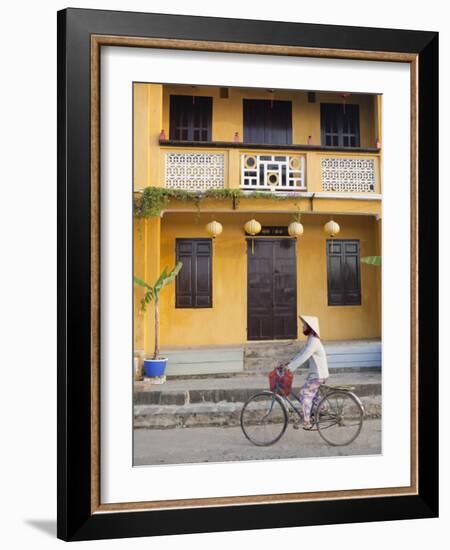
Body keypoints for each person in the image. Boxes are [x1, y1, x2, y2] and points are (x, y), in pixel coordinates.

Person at [281, 315, 329, 430]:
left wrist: (290, 368)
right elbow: (301, 353)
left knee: (304, 393)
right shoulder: (311, 340)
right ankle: (321, 410)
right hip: (317, 374)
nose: (302, 326)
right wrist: (289, 363)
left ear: (310, 327)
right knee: (313, 396)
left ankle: (306, 421)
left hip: (318, 375)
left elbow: (304, 357)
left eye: (304, 324)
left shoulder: (314, 341)